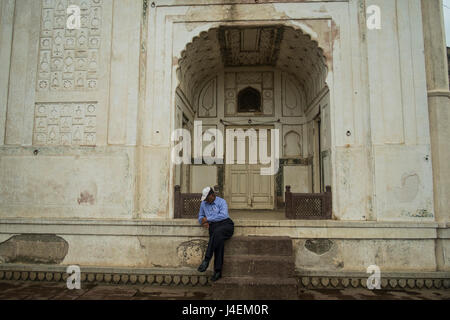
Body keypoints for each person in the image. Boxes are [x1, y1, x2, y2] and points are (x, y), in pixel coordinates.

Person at [197, 186, 234, 282]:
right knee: (219, 242)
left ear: (212, 195)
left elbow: (224, 215)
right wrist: (202, 221)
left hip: (226, 224)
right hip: (214, 227)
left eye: (206, 198)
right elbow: (200, 216)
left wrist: (208, 219)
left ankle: (206, 259)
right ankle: (217, 271)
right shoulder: (203, 204)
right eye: (204, 199)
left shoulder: (221, 202)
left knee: (217, 233)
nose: (205, 200)